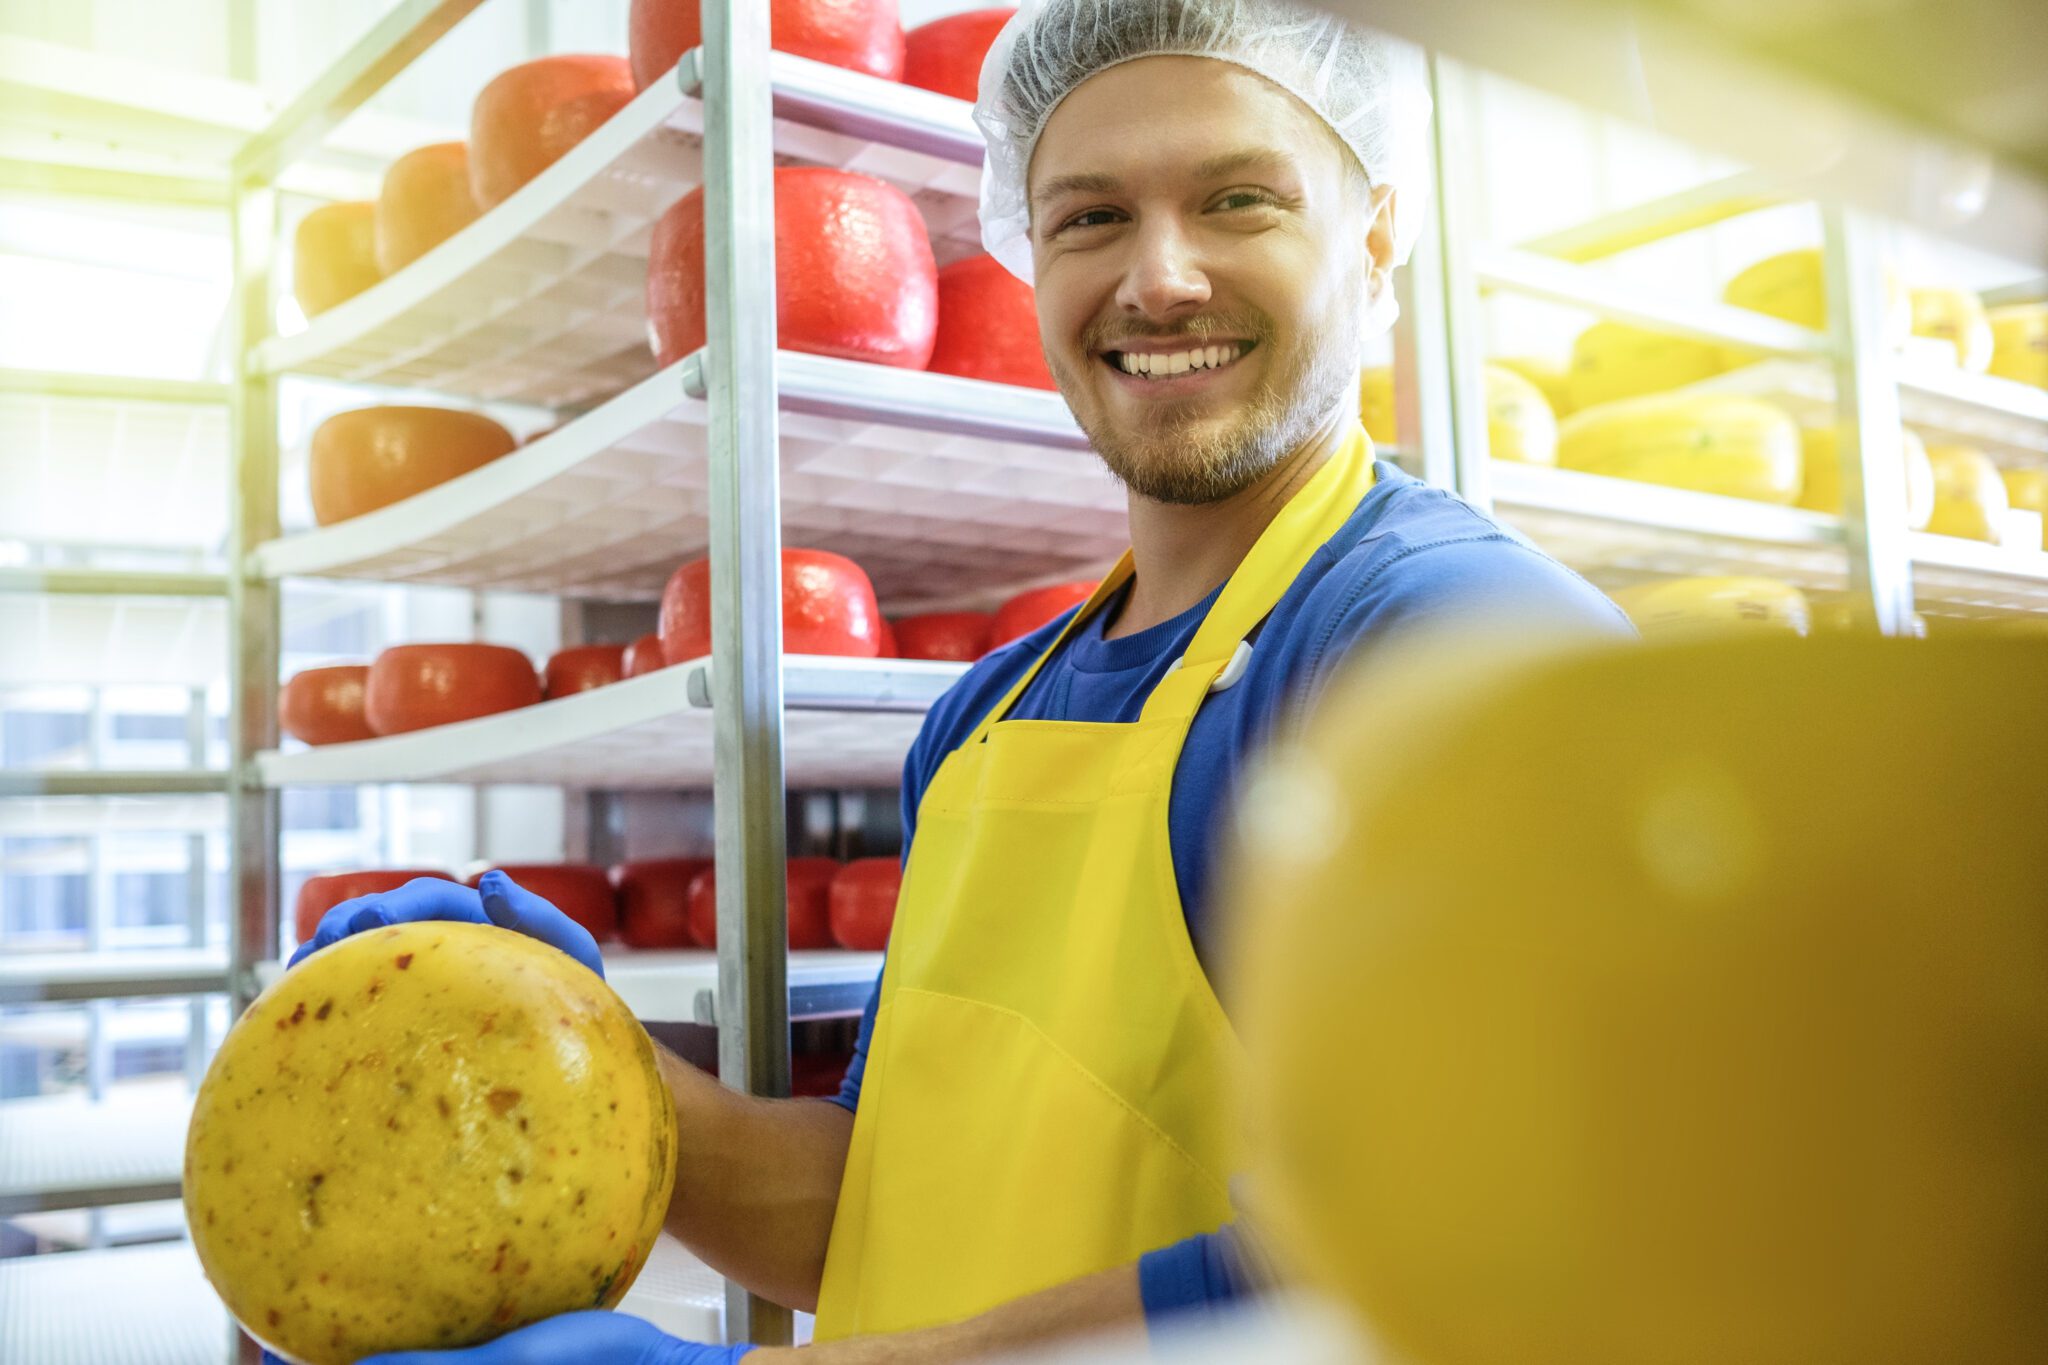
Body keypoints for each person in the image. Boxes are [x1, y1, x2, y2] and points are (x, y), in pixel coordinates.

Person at [302, 3, 1631, 1361]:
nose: (1158, 278)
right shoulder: (988, 717)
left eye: (1239, 200)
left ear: (1373, 238)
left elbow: (1441, 1244)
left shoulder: (1446, 644)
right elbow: (883, 1195)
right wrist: (575, 1058)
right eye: (1089, 219)